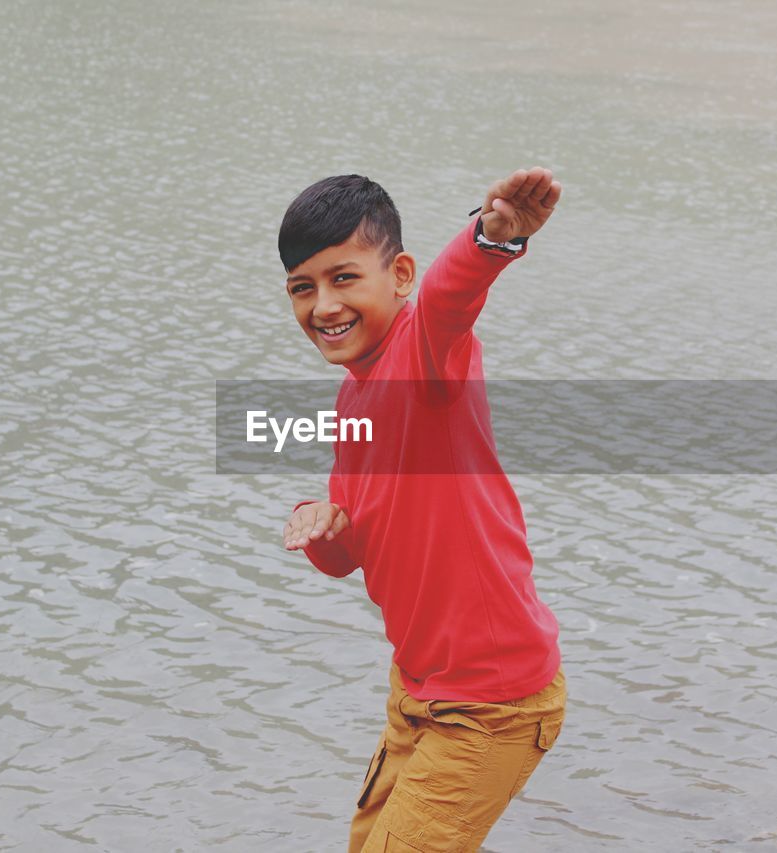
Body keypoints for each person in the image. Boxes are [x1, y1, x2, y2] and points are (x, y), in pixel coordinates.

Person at [277, 168, 567, 852]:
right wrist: (320, 524)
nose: (323, 305)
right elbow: (348, 547)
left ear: (400, 275)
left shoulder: (426, 357)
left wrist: (491, 239)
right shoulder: (352, 402)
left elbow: (449, 297)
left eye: (344, 278)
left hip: (493, 702)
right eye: (302, 287)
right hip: (418, 695)